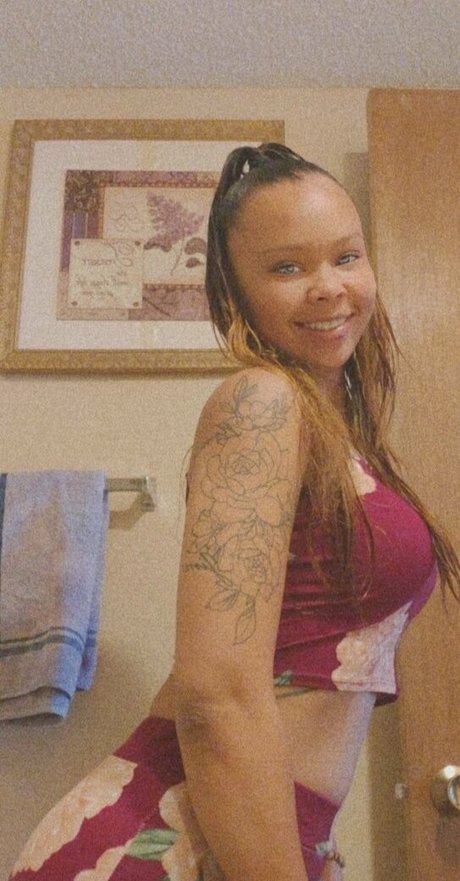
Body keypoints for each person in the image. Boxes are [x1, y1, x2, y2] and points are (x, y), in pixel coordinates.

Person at [9, 144, 459, 881]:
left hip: (249, 837)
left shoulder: (341, 435)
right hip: (162, 843)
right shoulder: (262, 402)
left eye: (346, 256)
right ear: (235, 294)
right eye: (287, 267)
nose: (328, 286)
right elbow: (213, 695)